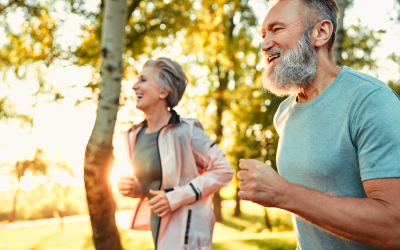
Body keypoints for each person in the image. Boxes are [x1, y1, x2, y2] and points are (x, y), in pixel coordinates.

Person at [237, 0, 400, 249]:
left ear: (320, 33)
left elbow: (394, 227)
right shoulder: (284, 113)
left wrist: (284, 194)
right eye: (263, 34)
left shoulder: (370, 100)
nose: (265, 44)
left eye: (277, 29)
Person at [117, 57, 233, 250]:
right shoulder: (133, 136)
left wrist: (175, 197)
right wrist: (133, 188)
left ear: (164, 91)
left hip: (189, 232)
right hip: (159, 227)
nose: (134, 86)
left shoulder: (187, 131)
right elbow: (153, 184)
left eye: (143, 80)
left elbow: (224, 170)